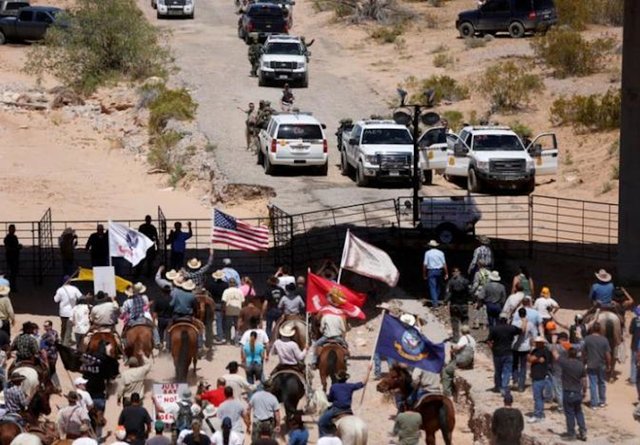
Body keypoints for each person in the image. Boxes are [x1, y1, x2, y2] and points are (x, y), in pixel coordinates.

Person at [317, 364, 371, 437]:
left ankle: (322, 439)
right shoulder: (350, 386)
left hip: (337, 410)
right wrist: (368, 370)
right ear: (346, 379)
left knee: (321, 422)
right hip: (348, 410)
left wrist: (328, 397)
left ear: (337, 378)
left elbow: (330, 399)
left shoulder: (334, 387)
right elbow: (363, 383)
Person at [550, 346, 588, 441]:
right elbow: (584, 380)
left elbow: (555, 354)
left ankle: (571, 434)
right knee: (579, 412)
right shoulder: (581, 365)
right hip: (577, 392)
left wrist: (554, 344)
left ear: (568, 354)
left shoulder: (565, 363)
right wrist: (584, 391)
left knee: (570, 413)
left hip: (568, 391)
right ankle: (583, 430)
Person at [488, 314, 521, 395]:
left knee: (498, 370)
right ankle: (504, 387)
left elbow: (489, 341)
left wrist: (492, 348)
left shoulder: (494, 329)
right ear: (507, 319)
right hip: (508, 352)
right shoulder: (511, 328)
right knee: (507, 371)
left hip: (497, 352)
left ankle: (498, 386)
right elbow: (521, 331)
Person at [582, 322, 611, 409]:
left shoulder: (587, 339)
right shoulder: (604, 340)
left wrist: (584, 362)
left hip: (591, 364)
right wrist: (609, 364)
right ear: (600, 329)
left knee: (593, 383)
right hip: (601, 364)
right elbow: (608, 354)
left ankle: (594, 403)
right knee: (602, 382)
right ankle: (602, 401)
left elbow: (584, 352)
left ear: (592, 329)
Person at [442, 325, 475, 397]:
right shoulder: (472, 339)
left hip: (462, 360)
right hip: (469, 361)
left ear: (462, 332)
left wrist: (452, 349)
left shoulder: (464, 338)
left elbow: (458, 347)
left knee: (446, 371)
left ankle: (447, 394)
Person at [527, 336, 552, 423]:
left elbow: (530, 359)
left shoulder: (540, 351)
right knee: (540, 397)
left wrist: (535, 359)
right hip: (540, 375)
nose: (536, 343)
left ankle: (537, 415)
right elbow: (529, 359)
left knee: (537, 397)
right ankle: (540, 414)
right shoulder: (542, 351)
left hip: (539, 376)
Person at [511, 308, 535, 393]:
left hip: (515, 347)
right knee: (523, 366)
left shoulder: (514, 323)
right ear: (526, 314)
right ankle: (521, 386)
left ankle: (515, 380)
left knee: (514, 364)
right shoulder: (530, 324)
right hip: (525, 347)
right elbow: (534, 336)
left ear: (518, 314)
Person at [444, 267, 471, 341]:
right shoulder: (466, 281)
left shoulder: (451, 282)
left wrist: (445, 301)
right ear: (460, 272)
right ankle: (466, 338)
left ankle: (456, 338)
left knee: (455, 321)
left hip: (454, 305)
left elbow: (449, 293)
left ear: (453, 273)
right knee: (465, 321)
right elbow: (470, 292)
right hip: (464, 304)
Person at [54, 279, 82, 347]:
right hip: (72, 312)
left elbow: (56, 300)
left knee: (63, 326)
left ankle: (64, 339)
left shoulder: (60, 289)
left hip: (63, 312)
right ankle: (66, 341)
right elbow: (80, 297)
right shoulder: (75, 289)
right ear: (70, 282)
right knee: (69, 327)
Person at [422, 240, 448, 307]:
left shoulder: (427, 253)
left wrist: (424, 274)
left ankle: (435, 303)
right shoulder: (441, 253)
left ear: (430, 246)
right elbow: (444, 264)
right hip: (440, 271)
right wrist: (446, 273)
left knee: (432, 287)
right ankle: (436, 299)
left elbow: (425, 264)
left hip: (431, 271)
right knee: (438, 286)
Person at [549, 331, 570, 412]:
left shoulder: (556, 347)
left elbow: (547, 346)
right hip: (567, 371)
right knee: (566, 389)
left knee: (558, 390)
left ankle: (561, 407)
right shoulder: (569, 347)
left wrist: (553, 342)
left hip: (557, 371)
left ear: (560, 339)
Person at [208, 270, 229, 343]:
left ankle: (219, 335)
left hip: (215, 303)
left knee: (218, 320)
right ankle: (224, 334)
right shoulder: (226, 285)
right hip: (224, 303)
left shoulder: (212, 285)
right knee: (225, 320)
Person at [222, 278, 244, 345]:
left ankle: (228, 340)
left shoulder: (226, 291)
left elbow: (224, 301)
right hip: (238, 310)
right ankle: (236, 341)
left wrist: (224, 309)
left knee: (228, 326)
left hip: (229, 310)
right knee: (237, 326)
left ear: (229, 283)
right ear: (235, 283)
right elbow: (243, 301)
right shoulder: (239, 291)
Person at [151, 284, 173, 349]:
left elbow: (155, 312)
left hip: (161, 319)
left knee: (161, 333)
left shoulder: (158, 299)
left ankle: (161, 348)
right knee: (169, 334)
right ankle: (168, 348)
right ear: (170, 291)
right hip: (170, 319)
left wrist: (153, 321)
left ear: (163, 291)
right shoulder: (172, 299)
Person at [39, 320, 60, 388]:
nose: (45, 327)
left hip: (49, 356)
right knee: (52, 370)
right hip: (53, 355)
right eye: (44, 326)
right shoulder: (54, 333)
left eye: (46, 326)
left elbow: (53, 341)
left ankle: (47, 385)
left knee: (47, 370)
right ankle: (57, 386)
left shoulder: (49, 334)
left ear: (50, 326)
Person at [3, 224, 21, 292]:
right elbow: (9, 247)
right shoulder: (10, 238)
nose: (13, 230)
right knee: (12, 273)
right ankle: (12, 287)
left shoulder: (10, 237)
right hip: (12, 256)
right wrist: (16, 248)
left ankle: (11, 286)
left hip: (12, 256)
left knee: (12, 273)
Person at [629, 305, 640, 385]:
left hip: (635, 345)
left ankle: (633, 380)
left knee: (633, 362)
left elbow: (631, 331)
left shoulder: (634, 320)